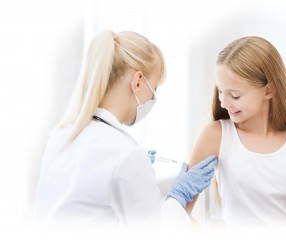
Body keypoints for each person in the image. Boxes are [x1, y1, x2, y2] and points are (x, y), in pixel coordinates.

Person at [33, 30, 216, 228]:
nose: (153, 97)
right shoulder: (126, 155)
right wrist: (178, 196)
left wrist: (135, 171)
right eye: (154, 88)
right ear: (138, 81)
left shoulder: (61, 136)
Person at [185, 36, 286, 226]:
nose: (224, 103)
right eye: (220, 91)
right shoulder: (215, 135)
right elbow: (180, 213)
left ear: (268, 90)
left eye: (234, 95)